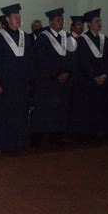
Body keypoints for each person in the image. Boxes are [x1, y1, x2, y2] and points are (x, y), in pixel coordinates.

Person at [0, 3, 33, 153]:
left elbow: (30, 60)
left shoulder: (25, 37)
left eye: (19, 16)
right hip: (4, 84)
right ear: (7, 19)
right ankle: (1, 144)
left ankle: (18, 143)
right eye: (15, 16)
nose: (18, 19)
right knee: (3, 115)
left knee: (19, 115)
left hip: (20, 84)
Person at [30, 8, 77, 147]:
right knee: (45, 110)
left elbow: (72, 57)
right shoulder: (43, 38)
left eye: (62, 20)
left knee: (60, 109)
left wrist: (68, 72)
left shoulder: (67, 37)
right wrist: (56, 75)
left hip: (63, 81)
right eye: (58, 20)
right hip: (47, 82)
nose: (61, 22)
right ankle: (38, 139)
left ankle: (57, 137)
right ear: (50, 22)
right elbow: (42, 60)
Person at [71, 8, 108, 141]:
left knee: (101, 107)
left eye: (100, 21)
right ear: (89, 24)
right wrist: (93, 77)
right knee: (87, 108)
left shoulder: (105, 39)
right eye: (96, 21)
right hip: (87, 82)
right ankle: (86, 135)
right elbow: (82, 62)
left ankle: (100, 132)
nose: (99, 23)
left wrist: (105, 74)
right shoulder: (82, 40)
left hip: (103, 80)